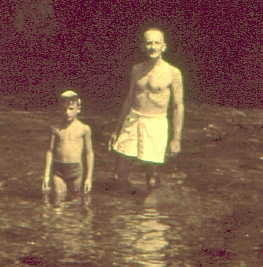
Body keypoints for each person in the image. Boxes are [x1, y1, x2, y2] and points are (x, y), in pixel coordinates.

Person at [109, 27, 184, 189]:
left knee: (152, 177)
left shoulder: (173, 73)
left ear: (163, 46)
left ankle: (150, 212)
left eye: (156, 43)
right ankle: (123, 211)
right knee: (119, 174)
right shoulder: (137, 70)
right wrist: (117, 130)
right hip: (134, 119)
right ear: (143, 47)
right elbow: (129, 100)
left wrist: (176, 139)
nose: (152, 47)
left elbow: (178, 107)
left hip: (156, 123)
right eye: (149, 43)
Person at [42, 90, 94, 202]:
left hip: (75, 169)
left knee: (74, 199)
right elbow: (50, 151)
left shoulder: (84, 129)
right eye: (64, 109)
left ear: (78, 109)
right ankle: (57, 216)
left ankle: (71, 219)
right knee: (58, 198)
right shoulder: (55, 129)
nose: (67, 112)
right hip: (58, 168)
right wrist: (46, 175)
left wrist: (89, 178)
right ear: (60, 109)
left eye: (71, 109)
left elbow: (89, 153)